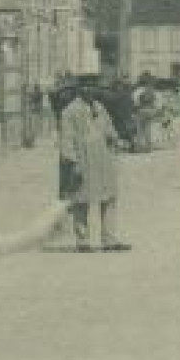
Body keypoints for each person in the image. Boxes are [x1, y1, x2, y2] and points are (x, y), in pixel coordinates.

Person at [58, 84, 129, 252]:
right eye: (86, 87)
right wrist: (72, 162)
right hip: (83, 160)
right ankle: (82, 242)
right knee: (81, 200)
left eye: (93, 87)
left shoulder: (100, 108)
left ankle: (109, 240)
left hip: (103, 158)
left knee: (109, 197)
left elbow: (109, 129)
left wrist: (116, 139)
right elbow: (66, 139)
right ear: (79, 90)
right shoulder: (69, 111)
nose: (90, 91)